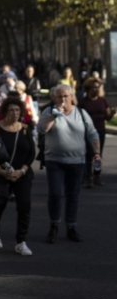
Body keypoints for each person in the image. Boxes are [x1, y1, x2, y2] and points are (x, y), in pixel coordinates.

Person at [37, 84, 100, 243]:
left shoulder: (81, 113)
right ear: (54, 98)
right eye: (60, 96)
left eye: (66, 96)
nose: (63, 99)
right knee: (56, 194)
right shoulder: (50, 111)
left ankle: (71, 227)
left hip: (77, 161)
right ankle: (54, 225)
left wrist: (97, 153)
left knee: (73, 196)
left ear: (72, 96)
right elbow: (42, 129)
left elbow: (92, 133)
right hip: (54, 161)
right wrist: (55, 114)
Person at [0, 98, 35, 256]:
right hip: (0, 174)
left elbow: (31, 153)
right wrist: (2, 172)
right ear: (5, 112)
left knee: (24, 207)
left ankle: (21, 242)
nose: (15, 113)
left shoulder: (25, 129)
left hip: (22, 175)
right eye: (12, 110)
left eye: (18, 110)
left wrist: (22, 171)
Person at [78, 77, 115, 188]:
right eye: (94, 87)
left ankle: (97, 176)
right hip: (87, 132)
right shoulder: (83, 102)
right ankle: (88, 178)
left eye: (98, 88)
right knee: (88, 154)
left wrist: (112, 113)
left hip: (100, 131)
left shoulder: (103, 101)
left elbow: (107, 117)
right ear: (88, 88)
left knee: (98, 154)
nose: (96, 90)